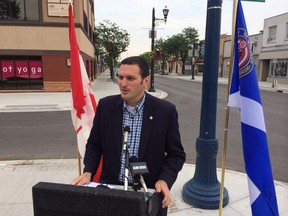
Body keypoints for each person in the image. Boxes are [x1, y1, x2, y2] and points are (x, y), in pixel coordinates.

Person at [72, 56, 186, 216]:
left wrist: (165, 180)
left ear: (146, 81)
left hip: (149, 193)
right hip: (112, 191)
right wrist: (88, 171)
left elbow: (176, 154)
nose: (123, 83)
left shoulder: (165, 111)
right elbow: (95, 145)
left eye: (130, 78)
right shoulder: (106, 107)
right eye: (120, 77)